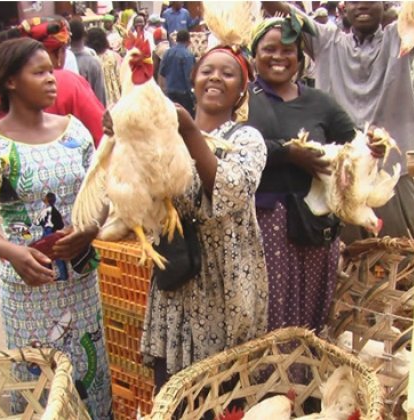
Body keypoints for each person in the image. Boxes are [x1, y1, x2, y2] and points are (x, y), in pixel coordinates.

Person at [0, 37, 112, 417]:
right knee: (40, 383)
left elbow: (101, 192)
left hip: (80, 281)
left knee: (89, 376)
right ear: (10, 81)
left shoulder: (75, 131)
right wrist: (13, 252)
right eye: (39, 72)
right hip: (30, 285)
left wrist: (90, 228)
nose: (52, 80)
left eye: (52, 70)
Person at [140, 42, 269, 389]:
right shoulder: (165, 136)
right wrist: (125, 138)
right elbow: (141, 199)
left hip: (225, 280)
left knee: (220, 387)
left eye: (229, 74)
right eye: (208, 70)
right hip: (178, 276)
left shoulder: (247, 139)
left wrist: (189, 131)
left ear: (242, 90)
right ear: (194, 77)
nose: (216, 78)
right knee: (174, 388)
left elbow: (231, 191)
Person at [263, 1, 414, 241]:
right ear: (343, 8)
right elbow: (289, 13)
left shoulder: (400, 36)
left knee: (401, 259)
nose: (363, 6)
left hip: (391, 176)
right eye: (355, 2)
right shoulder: (327, 41)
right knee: (344, 262)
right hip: (337, 177)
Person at [245, 15, 363, 337]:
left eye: (288, 50)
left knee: (310, 309)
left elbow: (353, 142)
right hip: (263, 222)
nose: (279, 57)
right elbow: (229, 148)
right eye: (269, 49)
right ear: (254, 54)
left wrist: (369, 149)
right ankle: (269, 382)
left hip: (313, 223)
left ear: (300, 58)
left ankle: (303, 378)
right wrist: (288, 152)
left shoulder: (319, 102)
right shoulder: (244, 100)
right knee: (270, 308)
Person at [0, 18, 105, 145]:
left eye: (50, 72)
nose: (50, 79)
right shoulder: (72, 84)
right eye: (39, 72)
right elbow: (102, 136)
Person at [69, 19, 106, 106]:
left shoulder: (61, 61)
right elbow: (100, 96)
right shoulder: (93, 63)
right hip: (89, 112)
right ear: (85, 36)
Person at [159, 29, 196, 115]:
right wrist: (193, 96)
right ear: (188, 41)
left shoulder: (167, 53)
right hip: (184, 95)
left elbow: (162, 73)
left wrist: (164, 91)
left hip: (170, 92)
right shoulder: (188, 55)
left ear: (176, 40)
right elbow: (189, 77)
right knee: (187, 119)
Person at [86, 27, 122, 106]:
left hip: (96, 99)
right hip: (114, 99)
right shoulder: (113, 56)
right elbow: (119, 78)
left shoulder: (89, 59)